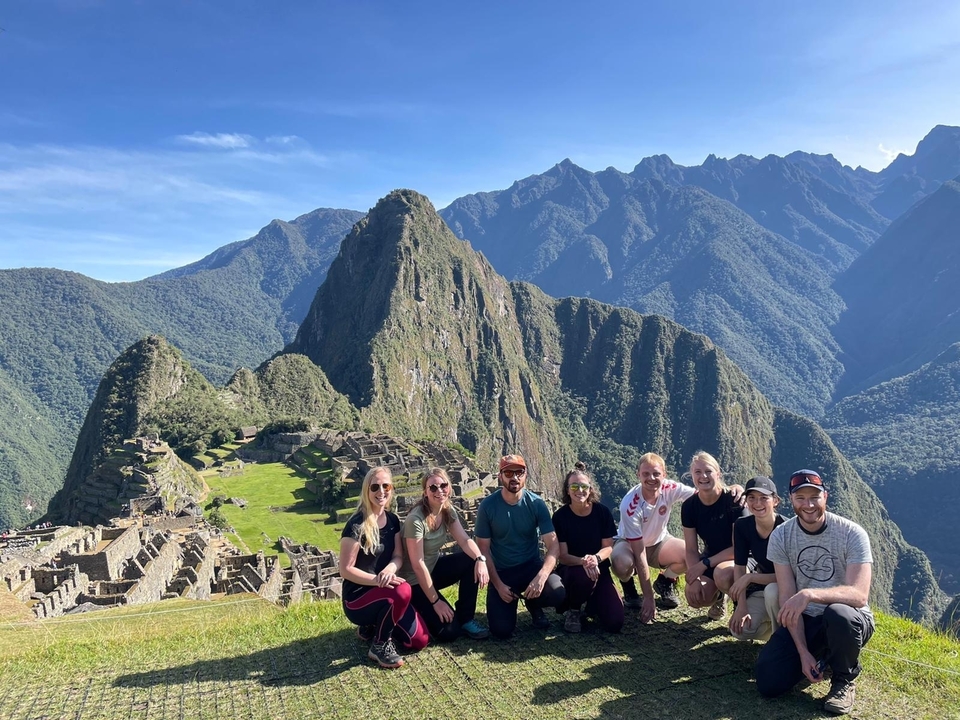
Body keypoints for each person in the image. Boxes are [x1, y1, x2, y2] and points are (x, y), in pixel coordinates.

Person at [755, 469, 874, 716]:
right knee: (768, 683)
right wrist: (803, 652)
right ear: (791, 500)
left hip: (849, 619)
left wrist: (810, 594)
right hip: (806, 619)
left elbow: (859, 595)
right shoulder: (782, 536)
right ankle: (822, 657)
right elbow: (788, 599)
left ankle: (844, 679)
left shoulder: (852, 533)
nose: (808, 504)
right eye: (801, 498)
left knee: (839, 614)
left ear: (825, 497)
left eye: (814, 497)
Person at [339, 467, 429, 668]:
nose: (381, 491)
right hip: (358, 598)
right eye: (375, 487)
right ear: (367, 491)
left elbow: (398, 556)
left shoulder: (393, 520)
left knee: (419, 641)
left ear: (392, 488)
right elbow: (345, 569)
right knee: (403, 590)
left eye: (386, 486)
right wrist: (377, 580)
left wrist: (390, 568)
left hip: (384, 593)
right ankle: (379, 645)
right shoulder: (356, 525)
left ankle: (374, 626)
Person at [474, 454, 566, 638]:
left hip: (530, 566)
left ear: (525, 475)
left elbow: (554, 546)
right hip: (502, 572)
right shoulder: (488, 506)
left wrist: (541, 576)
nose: (514, 477)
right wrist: (499, 585)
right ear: (500, 476)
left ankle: (534, 604)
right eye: (508, 472)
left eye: (519, 472)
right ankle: (513, 601)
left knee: (557, 592)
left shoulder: (536, 504)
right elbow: (483, 550)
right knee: (501, 630)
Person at [400, 467, 490, 641]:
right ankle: (410, 609)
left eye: (443, 485)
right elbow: (418, 565)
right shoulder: (416, 520)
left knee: (470, 560)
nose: (439, 490)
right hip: (413, 582)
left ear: (449, 487)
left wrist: (480, 559)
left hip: (432, 570)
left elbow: (464, 540)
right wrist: (435, 602)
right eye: (433, 487)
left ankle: (466, 619)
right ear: (425, 492)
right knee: (449, 632)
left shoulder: (447, 511)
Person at [611, 452, 689, 621]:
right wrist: (648, 598)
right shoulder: (630, 505)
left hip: (659, 541)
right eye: (646, 474)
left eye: (656, 474)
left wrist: (732, 490)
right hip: (629, 544)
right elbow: (639, 554)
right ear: (638, 474)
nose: (651, 478)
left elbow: (702, 495)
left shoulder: (670, 488)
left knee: (689, 554)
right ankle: (629, 587)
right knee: (621, 563)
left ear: (664, 474)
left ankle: (665, 581)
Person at [551, 462, 623, 634]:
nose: (579, 490)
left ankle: (592, 602)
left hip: (599, 569)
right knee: (583, 575)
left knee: (615, 622)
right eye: (574, 486)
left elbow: (608, 547)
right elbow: (563, 555)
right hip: (572, 571)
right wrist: (584, 561)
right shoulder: (561, 517)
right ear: (567, 490)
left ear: (590, 489)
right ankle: (574, 609)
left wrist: (595, 559)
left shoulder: (602, 512)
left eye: (584, 486)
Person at [681, 451, 742, 620]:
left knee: (722, 575)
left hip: (739, 557)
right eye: (698, 472)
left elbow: (739, 548)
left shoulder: (733, 501)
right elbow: (691, 549)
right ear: (691, 475)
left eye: (708, 471)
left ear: (718, 473)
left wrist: (704, 564)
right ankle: (720, 597)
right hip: (712, 556)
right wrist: (695, 578)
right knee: (696, 597)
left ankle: (742, 605)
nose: (703, 476)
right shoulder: (689, 507)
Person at [728, 476, 786, 642]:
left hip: (784, 592)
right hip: (761, 591)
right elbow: (739, 566)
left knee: (772, 591)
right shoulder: (742, 525)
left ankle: (780, 642)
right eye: (752, 498)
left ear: (775, 501)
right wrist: (741, 606)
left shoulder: (785, 529)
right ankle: (773, 631)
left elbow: (789, 577)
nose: (757, 503)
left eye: (764, 498)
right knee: (740, 631)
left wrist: (751, 577)